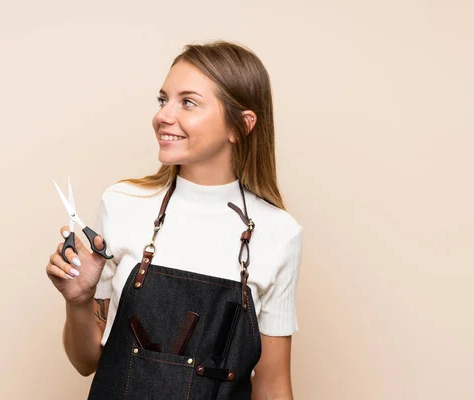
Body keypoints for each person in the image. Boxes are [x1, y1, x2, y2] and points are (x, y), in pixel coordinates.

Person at [46, 40, 304, 399]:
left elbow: (273, 385)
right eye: (163, 99)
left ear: (240, 126)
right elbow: (86, 361)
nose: (164, 116)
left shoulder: (279, 234)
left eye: (188, 102)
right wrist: (78, 301)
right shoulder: (123, 204)